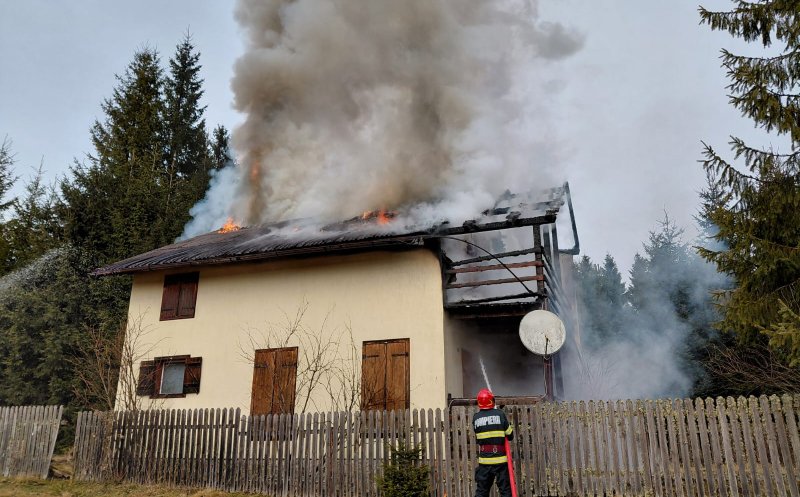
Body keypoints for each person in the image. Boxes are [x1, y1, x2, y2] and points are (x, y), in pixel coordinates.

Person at [472, 388, 514, 497]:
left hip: (485, 462)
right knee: (505, 491)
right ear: (492, 400)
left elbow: (479, 437)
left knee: (482, 492)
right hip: (500, 461)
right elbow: (510, 435)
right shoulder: (500, 415)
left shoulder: (476, 418)